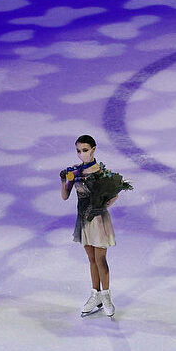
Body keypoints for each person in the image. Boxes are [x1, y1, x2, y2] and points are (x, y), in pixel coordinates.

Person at [60, 134, 118, 317]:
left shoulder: (101, 171)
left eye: (84, 150)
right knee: (91, 259)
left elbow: (114, 194)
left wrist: (102, 204)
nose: (81, 154)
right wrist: (64, 180)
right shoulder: (75, 171)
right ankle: (96, 295)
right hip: (83, 220)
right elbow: (65, 196)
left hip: (98, 220)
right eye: (78, 151)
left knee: (101, 259)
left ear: (93, 149)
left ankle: (106, 296)